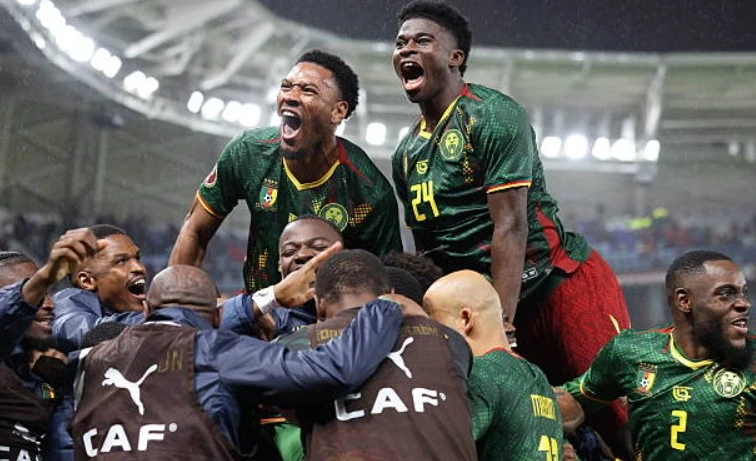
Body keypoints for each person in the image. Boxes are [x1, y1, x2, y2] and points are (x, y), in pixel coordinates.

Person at [390, 1, 630, 448]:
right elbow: (429, 253)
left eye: (422, 40)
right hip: (489, 309)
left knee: (617, 419)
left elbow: (511, 225)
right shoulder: (405, 154)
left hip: (556, 284)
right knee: (524, 431)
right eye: (401, 42)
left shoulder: (493, 115)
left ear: (455, 57)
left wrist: (500, 321)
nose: (407, 49)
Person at [70, 264, 410, 459]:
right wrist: (383, 308)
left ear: (146, 310)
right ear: (218, 317)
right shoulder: (217, 349)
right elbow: (334, 370)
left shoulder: (89, 362)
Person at [170, 49, 402, 293]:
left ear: (338, 111)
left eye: (308, 90)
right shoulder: (249, 152)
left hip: (326, 312)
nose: (290, 96)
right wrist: (179, 301)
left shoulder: (370, 192)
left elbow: (389, 283)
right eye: (286, 86)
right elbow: (194, 230)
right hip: (258, 308)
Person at [280, 249, 477, 460]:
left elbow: (287, 410)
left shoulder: (294, 346)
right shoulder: (451, 341)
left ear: (318, 303)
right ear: (390, 293)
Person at [562, 250, 754, 459]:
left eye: (743, 293)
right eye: (726, 294)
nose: (744, 304)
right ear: (684, 301)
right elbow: (570, 402)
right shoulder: (632, 352)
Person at [424, 270, 570, 461]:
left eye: (435, 326)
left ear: (466, 319)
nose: (431, 339)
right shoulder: (538, 377)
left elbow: (443, 444)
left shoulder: (480, 374)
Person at [0, 229, 103, 461]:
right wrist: (46, 275)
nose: (49, 304)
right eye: (36, 294)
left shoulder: (43, 372)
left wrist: (64, 385)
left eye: (48, 293)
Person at [221, 215, 345, 339]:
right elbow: (211, 333)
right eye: (289, 252)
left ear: (344, 261)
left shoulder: (357, 316)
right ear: (280, 267)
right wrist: (269, 298)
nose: (302, 255)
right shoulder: (266, 320)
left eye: (319, 247)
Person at [52, 224, 146, 354]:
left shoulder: (131, 305)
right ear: (87, 281)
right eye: (121, 261)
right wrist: (160, 316)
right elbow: (93, 333)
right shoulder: (65, 305)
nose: (139, 268)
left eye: (137, 258)